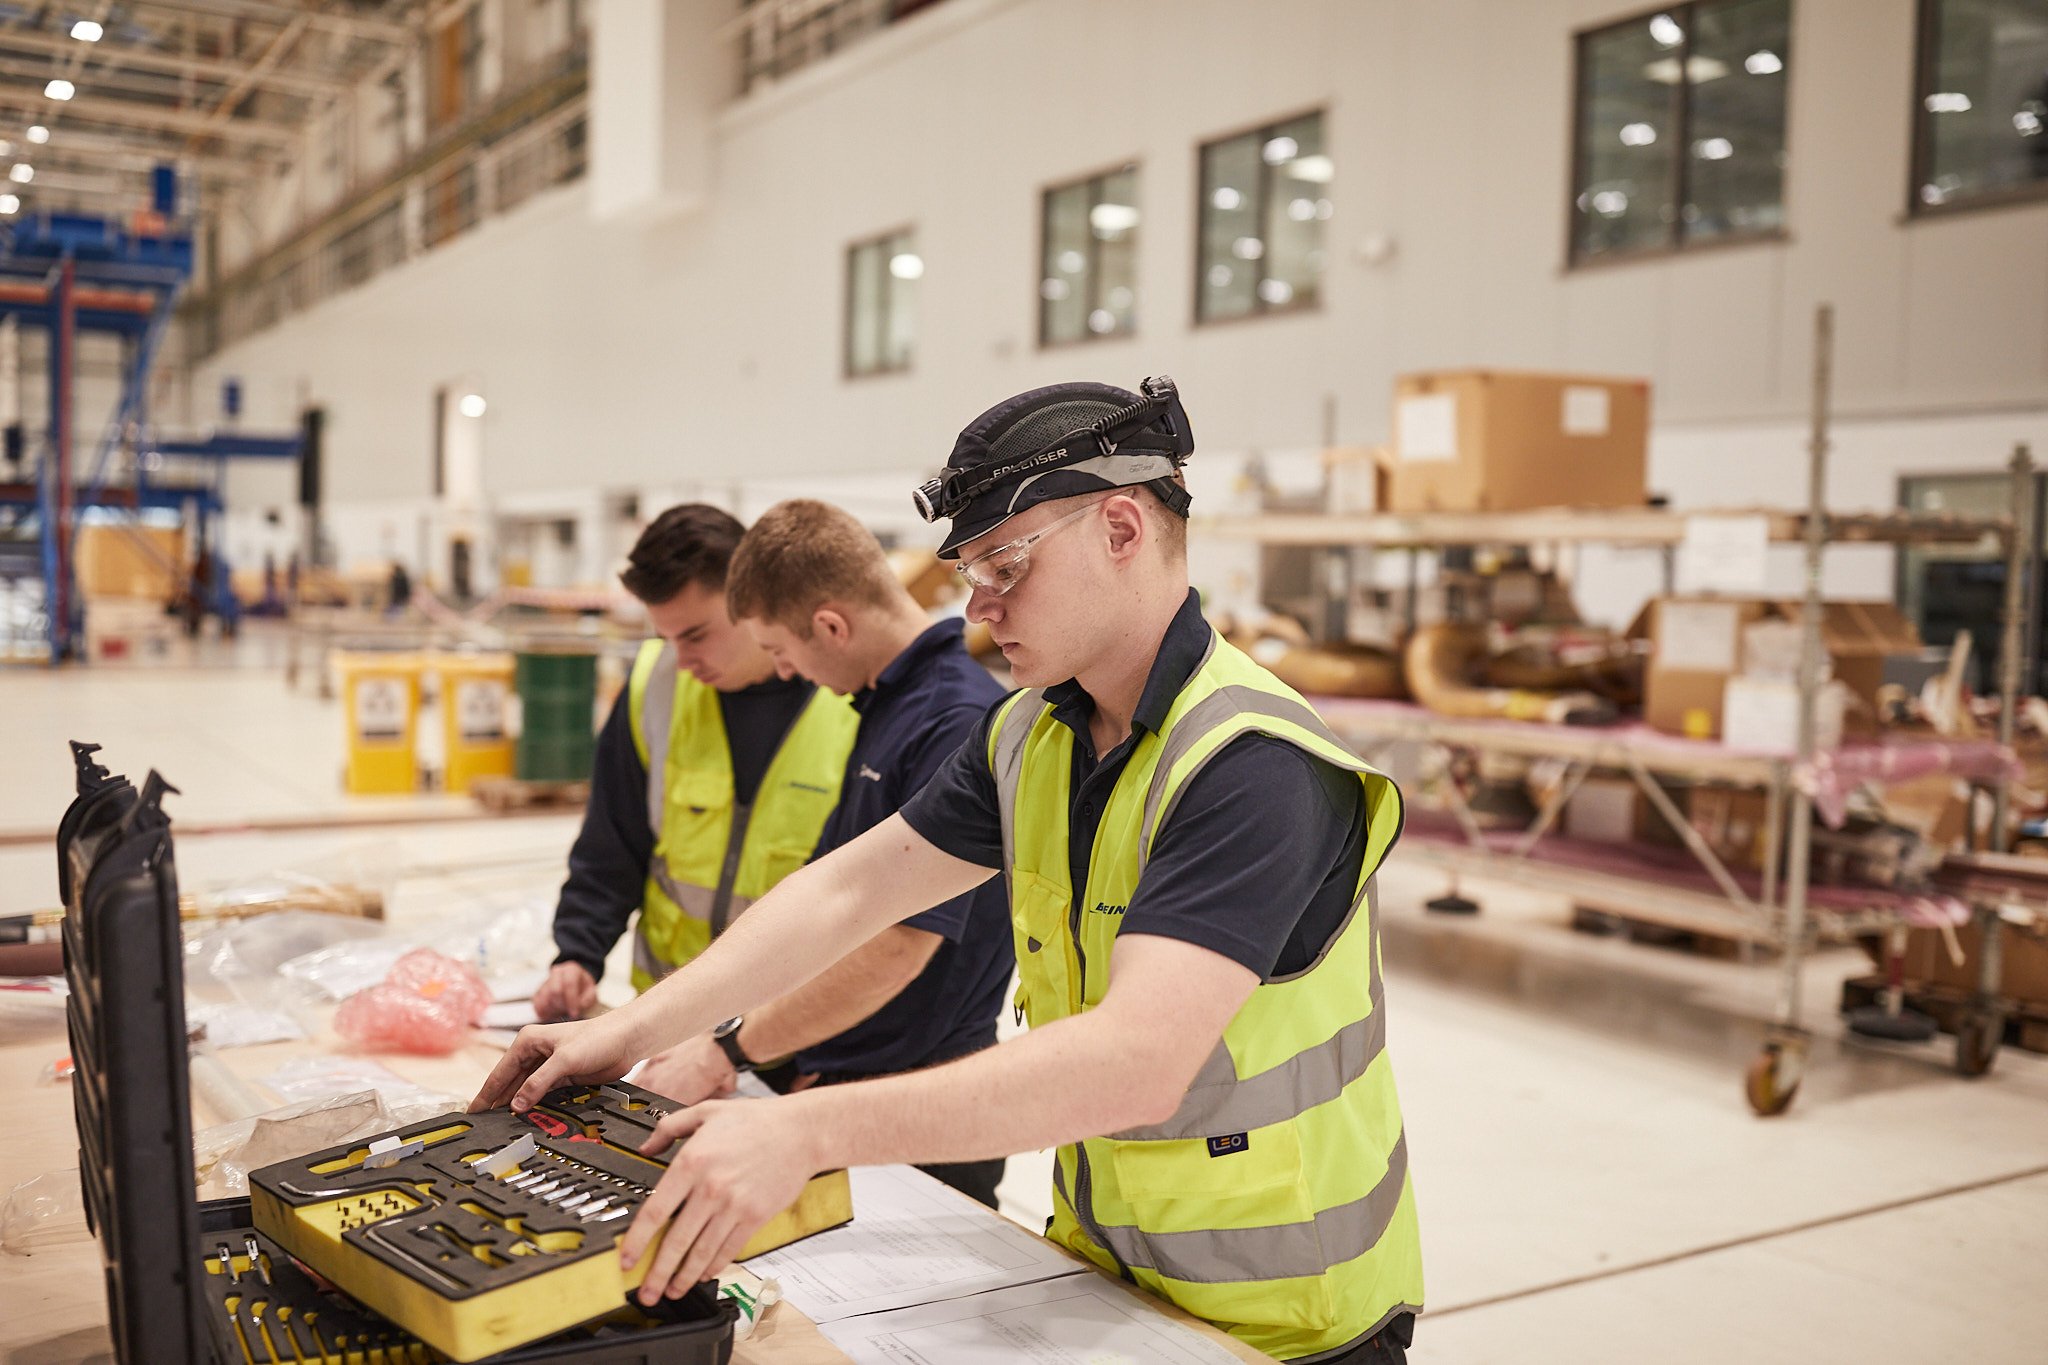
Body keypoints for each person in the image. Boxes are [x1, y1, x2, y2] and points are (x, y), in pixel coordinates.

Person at [478, 378, 1422, 1364]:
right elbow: (847, 893)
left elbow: (1137, 1063)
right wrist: (625, 1032)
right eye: (971, 571)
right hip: (1115, 1279)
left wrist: (803, 1132)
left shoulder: (1252, 764)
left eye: (1006, 564)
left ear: (1120, 528)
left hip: (1290, 1322)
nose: (978, 604)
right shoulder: (1029, 734)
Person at [636, 497, 1014, 1207]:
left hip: (918, 1114)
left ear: (832, 626)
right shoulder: (889, 706)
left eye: (782, 651)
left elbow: (898, 947)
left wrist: (729, 1050)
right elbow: (832, 906)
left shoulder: (952, 720)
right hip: (848, 1082)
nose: (784, 673)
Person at [530, 504, 857, 1021]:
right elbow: (611, 843)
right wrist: (578, 954)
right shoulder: (654, 687)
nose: (681, 661)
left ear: (755, 599)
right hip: (666, 1022)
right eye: (666, 638)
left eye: (695, 635)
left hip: (790, 1030)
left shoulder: (850, 699)